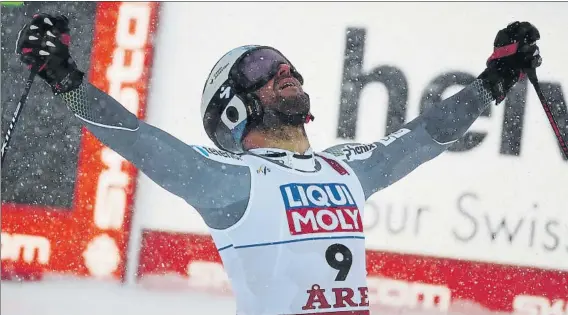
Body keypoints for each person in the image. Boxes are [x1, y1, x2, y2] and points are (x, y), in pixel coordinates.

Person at [15, 14, 541, 315]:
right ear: (233, 105)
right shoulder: (232, 181)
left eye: (284, 62)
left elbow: (424, 135)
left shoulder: (344, 170)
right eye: (262, 67)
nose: (285, 68)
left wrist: (492, 83)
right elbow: (140, 140)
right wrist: (66, 83)